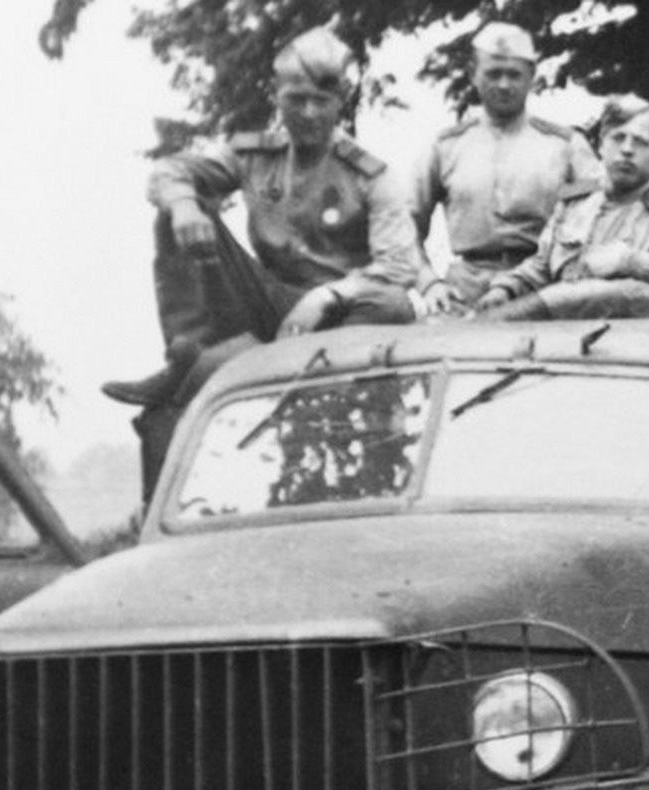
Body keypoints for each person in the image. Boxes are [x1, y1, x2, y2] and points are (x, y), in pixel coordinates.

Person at [103, 27, 416, 494]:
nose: (308, 113)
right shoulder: (254, 155)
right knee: (176, 208)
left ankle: (329, 379)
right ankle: (185, 354)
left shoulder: (369, 175)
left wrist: (328, 295)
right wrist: (185, 204)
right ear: (277, 97)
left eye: (321, 101)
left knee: (393, 305)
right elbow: (168, 171)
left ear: (341, 102)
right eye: (296, 99)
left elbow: (399, 267)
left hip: (339, 317)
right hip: (268, 301)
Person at [411, 22, 601, 314]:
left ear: (532, 76)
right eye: (493, 73)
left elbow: (602, 215)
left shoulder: (566, 146)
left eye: (514, 74)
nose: (503, 84)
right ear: (474, 74)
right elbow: (403, 228)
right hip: (465, 293)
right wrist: (429, 284)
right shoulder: (445, 147)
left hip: (544, 289)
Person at [473, 96, 649, 320]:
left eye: (641, 142)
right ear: (601, 145)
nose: (627, 150)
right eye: (618, 138)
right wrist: (506, 288)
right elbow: (542, 266)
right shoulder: (576, 202)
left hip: (626, 339)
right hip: (558, 331)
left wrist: (631, 262)